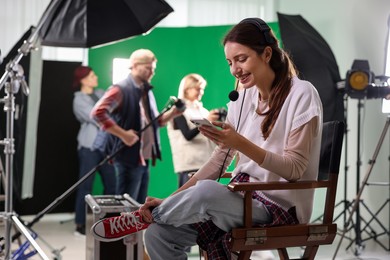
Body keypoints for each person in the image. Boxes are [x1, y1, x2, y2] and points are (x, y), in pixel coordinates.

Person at [91, 17, 323, 259]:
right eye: (230, 62)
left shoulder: (302, 93)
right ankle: (153, 216)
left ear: (266, 54)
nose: (235, 69)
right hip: (240, 203)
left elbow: (295, 170)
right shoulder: (243, 98)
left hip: (279, 209)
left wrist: (239, 143)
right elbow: (218, 161)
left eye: (242, 59)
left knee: (207, 192)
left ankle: (143, 217)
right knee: (157, 234)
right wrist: (168, 200)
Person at [91, 49, 182, 204]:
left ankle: (135, 230)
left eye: (153, 69)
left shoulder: (146, 91)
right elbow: (97, 113)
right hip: (127, 157)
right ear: (134, 65)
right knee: (125, 207)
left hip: (143, 158)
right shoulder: (120, 89)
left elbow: (154, 123)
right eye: (148, 68)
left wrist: (173, 113)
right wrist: (123, 134)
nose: (151, 72)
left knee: (137, 207)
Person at [72, 65, 116, 236]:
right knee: (85, 186)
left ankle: (107, 223)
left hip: (106, 147)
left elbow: (113, 110)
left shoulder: (100, 92)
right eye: (92, 75)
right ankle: (80, 224)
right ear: (83, 79)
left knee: (112, 184)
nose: (95, 77)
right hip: (88, 147)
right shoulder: (79, 99)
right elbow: (96, 117)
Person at [167, 73, 219, 188]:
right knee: (188, 201)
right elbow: (187, 135)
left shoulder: (203, 110)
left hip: (206, 162)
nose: (201, 92)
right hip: (189, 164)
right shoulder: (178, 111)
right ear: (187, 89)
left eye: (202, 89)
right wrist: (206, 120)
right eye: (198, 89)